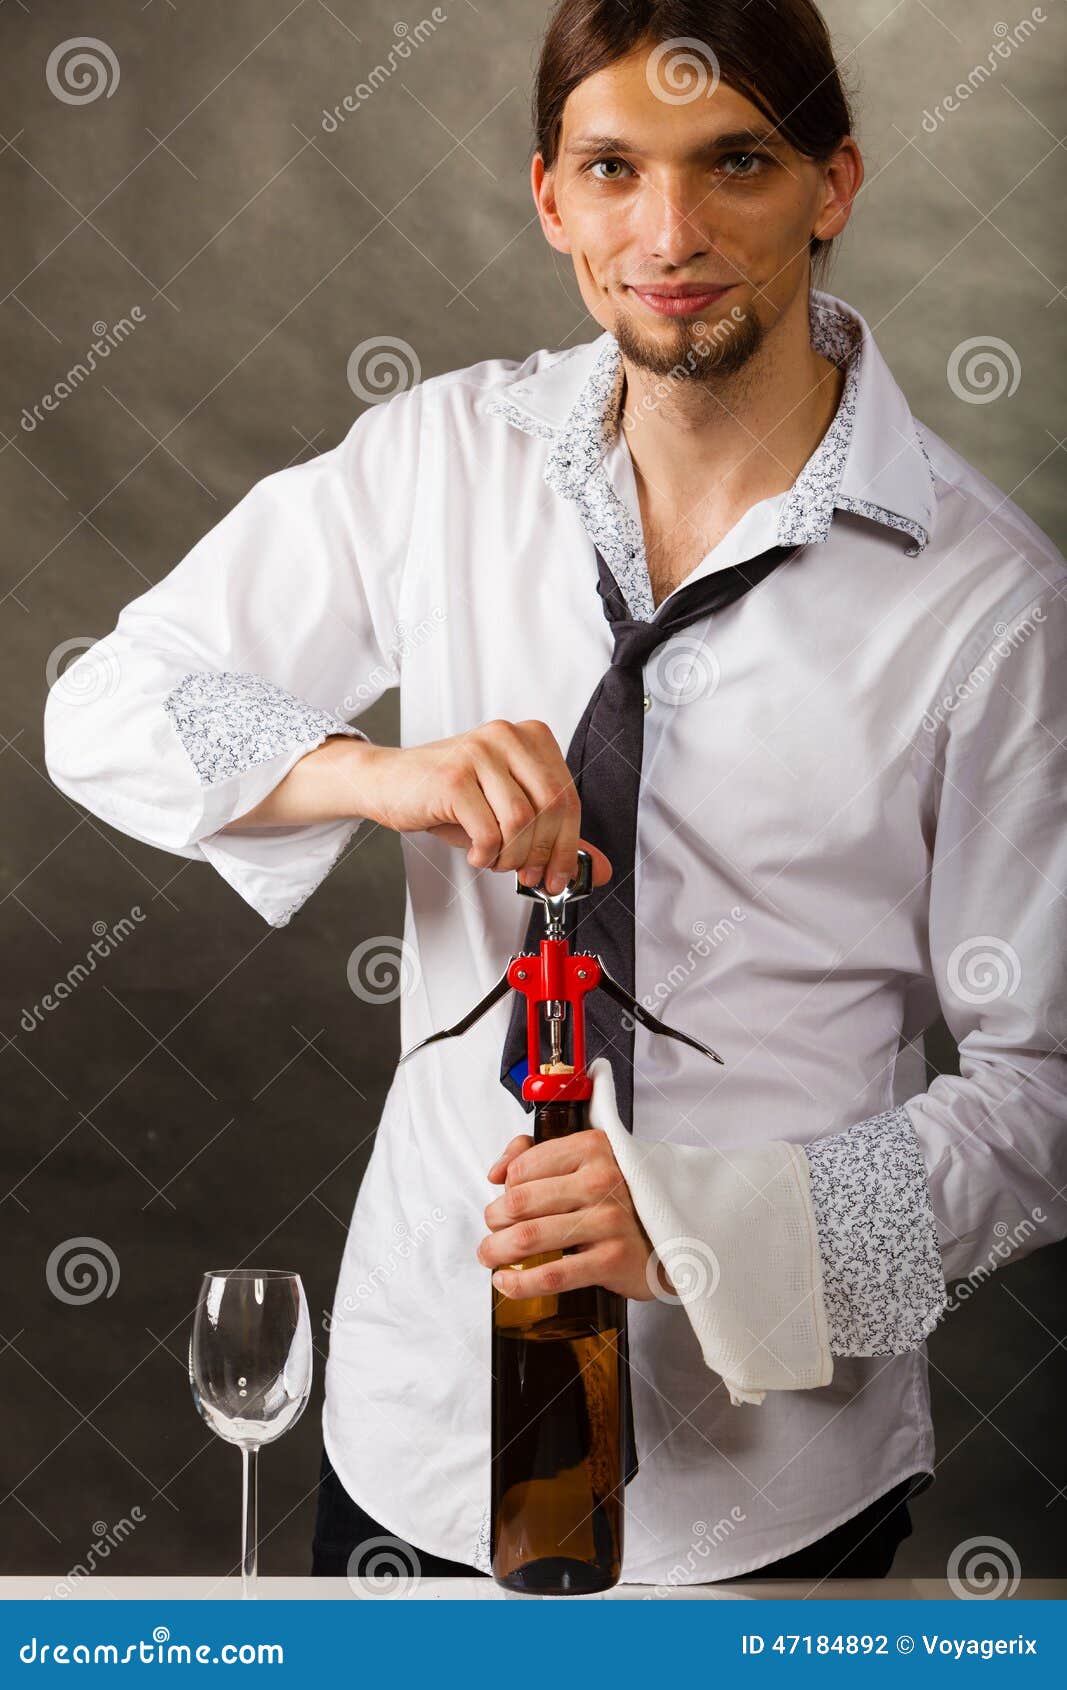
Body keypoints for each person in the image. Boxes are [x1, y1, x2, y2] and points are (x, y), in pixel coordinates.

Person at [43, 0, 1066, 1587]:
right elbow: (103, 701)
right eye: (613, 168)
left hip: (771, 1499)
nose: (668, 232)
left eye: (735, 161)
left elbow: (1049, 1086)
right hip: (420, 1441)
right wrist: (372, 772)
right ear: (549, 199)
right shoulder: (436, 459)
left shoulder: (990, 599)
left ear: (833, 184)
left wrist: (715, 1236)